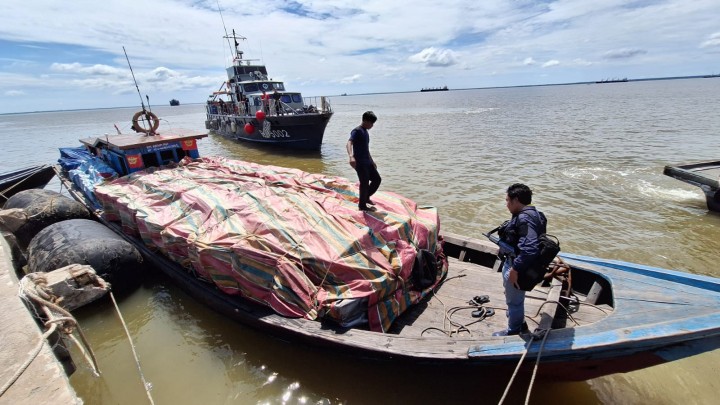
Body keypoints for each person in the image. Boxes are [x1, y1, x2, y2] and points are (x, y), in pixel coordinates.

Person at [494, 183, 547, 336]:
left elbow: (530, 248)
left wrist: (515, 269)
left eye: (507, 201)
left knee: (514, 302)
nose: (506, 205)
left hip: (517, 266)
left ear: (516, 200)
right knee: (514, 298)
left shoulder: (524, 218)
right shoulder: (536, 214)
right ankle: (520, 322)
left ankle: (514, 330)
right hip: (521, 263)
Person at [346, 111, 381, 211]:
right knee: (364, 183)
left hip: (367, 162)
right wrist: (351, 156)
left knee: (377, 179)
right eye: (371, 123)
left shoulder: (365, 132)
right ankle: (362, 206)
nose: (372, 126)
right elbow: (349, 143)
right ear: (365, 121)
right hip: (360, 163)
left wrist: (372, 161)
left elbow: (366, 149)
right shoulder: (357, 131)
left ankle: (366, 197)